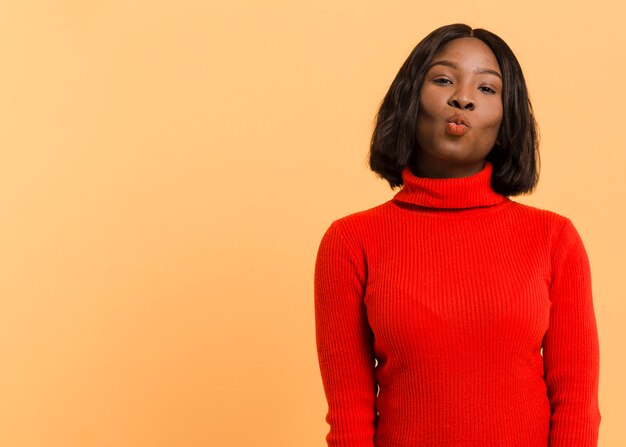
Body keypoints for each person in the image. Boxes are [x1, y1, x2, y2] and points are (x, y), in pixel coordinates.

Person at [313, 23, 601, 447]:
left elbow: (576, 402)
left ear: (507, 119)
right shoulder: (351, 241)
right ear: (410, 100)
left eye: (487, 89)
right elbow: (350, 416)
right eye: (444, 79)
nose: (462, 97)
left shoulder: (553, 238)